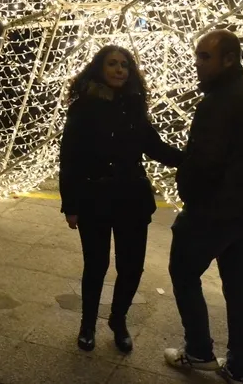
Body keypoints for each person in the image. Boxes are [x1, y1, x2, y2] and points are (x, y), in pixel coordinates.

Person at [164, 30, 243, 384]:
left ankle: (199, 350)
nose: (197, 63)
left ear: (229, 59)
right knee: (239, 288)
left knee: (184, 273)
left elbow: (206, 163)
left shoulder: (218, 102)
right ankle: (240, 368)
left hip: (215, 212)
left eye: (205, 56)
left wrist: (189, 196)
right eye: (197, 55)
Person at [59, 45, 182, 354]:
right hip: (94, 198)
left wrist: (190, 158)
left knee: (131, 266)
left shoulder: (134, 105)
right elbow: (69, 158)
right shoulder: (84, 107)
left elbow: (154, 146)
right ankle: (88, 324)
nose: (119, 70)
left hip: (131, 198)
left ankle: (118, 319)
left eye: (124, 65)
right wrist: (70, 205)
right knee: (96, 265)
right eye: (112, 64)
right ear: (100, 68)